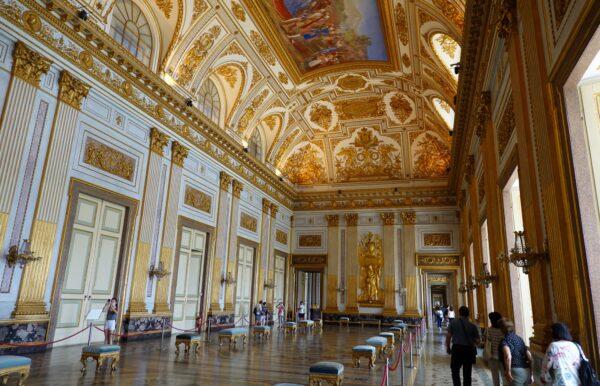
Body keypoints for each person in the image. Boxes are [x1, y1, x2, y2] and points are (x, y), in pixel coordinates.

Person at [446, 306, 481, 386]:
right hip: (469, 349)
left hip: (457, 349)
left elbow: (448, 336)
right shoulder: (472, 325)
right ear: (468, 314)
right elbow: (478, 341)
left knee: (455, 371)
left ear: (459, 313)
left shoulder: (453, 323)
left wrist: (448, 347)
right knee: (467, 373)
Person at [499, 319, 533, 385]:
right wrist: (531, 373)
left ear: (502, 330)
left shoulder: (505, 341)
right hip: (526, 370)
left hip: (515, 371)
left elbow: (508, 356)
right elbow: (530, 357)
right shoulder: (520, 339)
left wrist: (508, 371)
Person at [485, 312, 505, 386]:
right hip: (502, 355)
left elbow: (487, 340)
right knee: (504, 375)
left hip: (492, 355)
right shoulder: (503, 330)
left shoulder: (489, 330)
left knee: (495, 376)